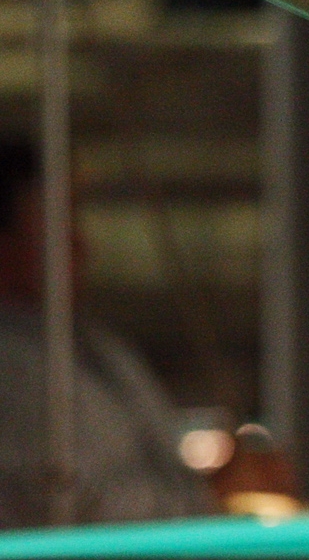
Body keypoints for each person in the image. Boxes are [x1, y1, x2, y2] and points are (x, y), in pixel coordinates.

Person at [0, 137, 214, 527]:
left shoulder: (98, 349)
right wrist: (210, 502)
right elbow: (67, 502)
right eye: (57, 226)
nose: (81, 244)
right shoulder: (13, 368)